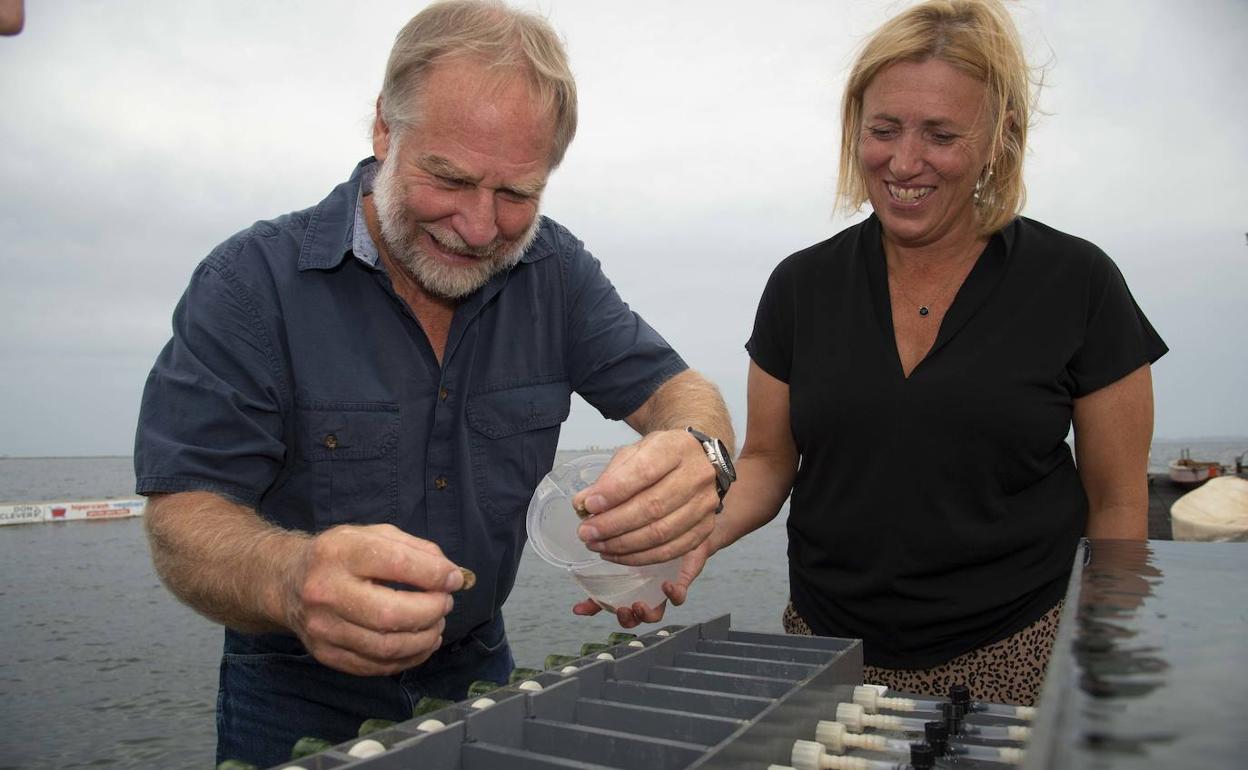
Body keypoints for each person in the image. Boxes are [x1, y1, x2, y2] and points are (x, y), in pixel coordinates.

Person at [133, 2, 733, 765]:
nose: (480, 228)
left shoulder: (557, 272)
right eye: (448, 178)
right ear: (384, 129)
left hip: (481, 670)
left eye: (517, 194)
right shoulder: (249, 284)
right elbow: (182, 517)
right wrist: (289, 577)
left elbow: (681, 393)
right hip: (290, 690)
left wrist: (699, 459)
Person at [641, 0, 1167, 706]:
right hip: (827, 651)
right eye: (883, 130)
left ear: (998, 138)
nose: (904, 161)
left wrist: (1107, 663)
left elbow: (1119, 500)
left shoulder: (1079, 282)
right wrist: (692, 538)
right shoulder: (800, 285)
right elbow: (769, 459)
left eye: (941, 134)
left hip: (1019, 651)